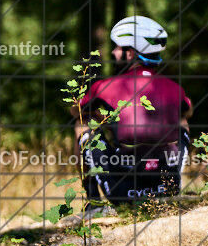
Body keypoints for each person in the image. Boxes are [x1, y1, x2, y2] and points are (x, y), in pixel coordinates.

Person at [74, 16, 193, 218]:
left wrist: (105, 117)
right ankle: (175, 182)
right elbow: (188, 111)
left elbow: (77, 110)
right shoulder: (175, 88)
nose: (113, 52)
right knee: (182, 122)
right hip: (165, 187)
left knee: (82, 122)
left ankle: (92, 202)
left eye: (117, 47)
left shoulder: (104, 87)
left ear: (129, 53)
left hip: (122, 192)